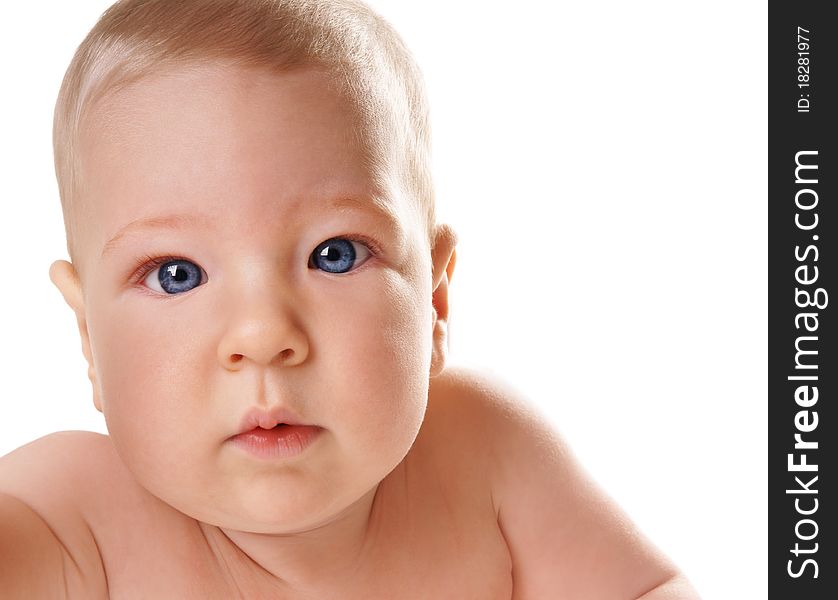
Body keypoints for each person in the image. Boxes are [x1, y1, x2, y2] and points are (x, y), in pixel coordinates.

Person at [0, 1, 700, 597]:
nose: (264, 334)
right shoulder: (74, 520)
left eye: (334, 255)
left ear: (433, 301)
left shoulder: (482, 457)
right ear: (89, 336)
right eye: (177, 273)